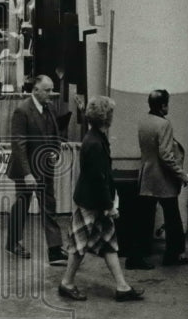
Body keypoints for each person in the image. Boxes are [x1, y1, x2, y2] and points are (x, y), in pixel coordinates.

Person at [58, 96, 145, 302]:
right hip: (91, 202)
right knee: (80, 244)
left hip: (93, 200)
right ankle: (67, 283)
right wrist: (108, 206)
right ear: (106, 117)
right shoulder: (95, 142)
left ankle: (122, 286)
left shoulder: (95, 137)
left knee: (108, 243)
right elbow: (98, 178)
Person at [4, 74, 68, 266]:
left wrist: (55, 151)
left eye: (51, 90)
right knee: (22, 206)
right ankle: (12, 242)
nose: (51, 93)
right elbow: (19, 144)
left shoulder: (49, 107)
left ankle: (55, 250)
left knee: (49, 206)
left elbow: (55, 133)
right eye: (47, 90)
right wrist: (27, 173)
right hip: (27, 170)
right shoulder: (22, 111)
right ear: (35, 90)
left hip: (45, 167)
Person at [132, 89, 188, 270]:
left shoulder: (143, 121)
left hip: (146, 176)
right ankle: (173, 255)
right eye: (167, 104)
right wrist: (182, 175)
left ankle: (137, 256)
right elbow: (166, 155)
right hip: (163, 179)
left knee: (143, 219)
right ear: (163, 105)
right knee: (173, 217)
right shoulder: (164, 124)